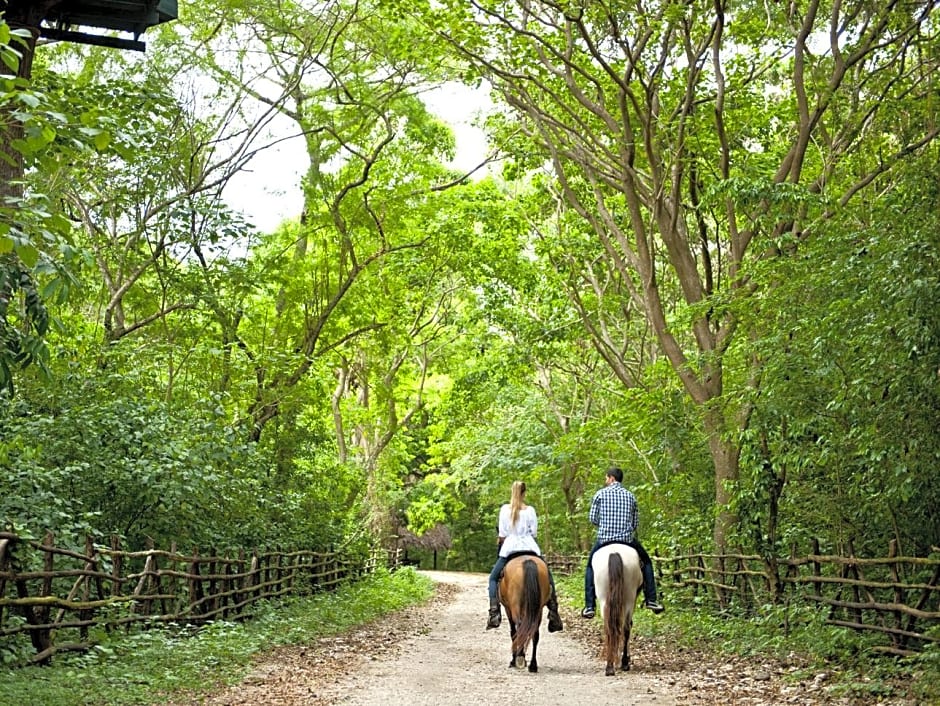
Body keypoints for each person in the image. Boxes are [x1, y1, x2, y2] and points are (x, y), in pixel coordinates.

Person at [581, 467, 664, 618]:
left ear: (611, 478)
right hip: (627, 540)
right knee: (647, 562)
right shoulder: (630, 496)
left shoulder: (600, 494)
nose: (605, 481)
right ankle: (651, 599)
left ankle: (589, 605)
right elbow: (635, 523)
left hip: (604, 539)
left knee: (589, 567)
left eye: (606, 478)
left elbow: (593, 519)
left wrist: (606, 524)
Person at [486, 480, 563, 632]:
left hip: (510, 548)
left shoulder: (504, 510)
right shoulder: (530, 510)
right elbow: (534, 532)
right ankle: (554, 610)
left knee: (493, 578)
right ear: (524, 493)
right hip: (530, 547)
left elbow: (502, 534)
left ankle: (494, 611)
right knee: (547, 574)